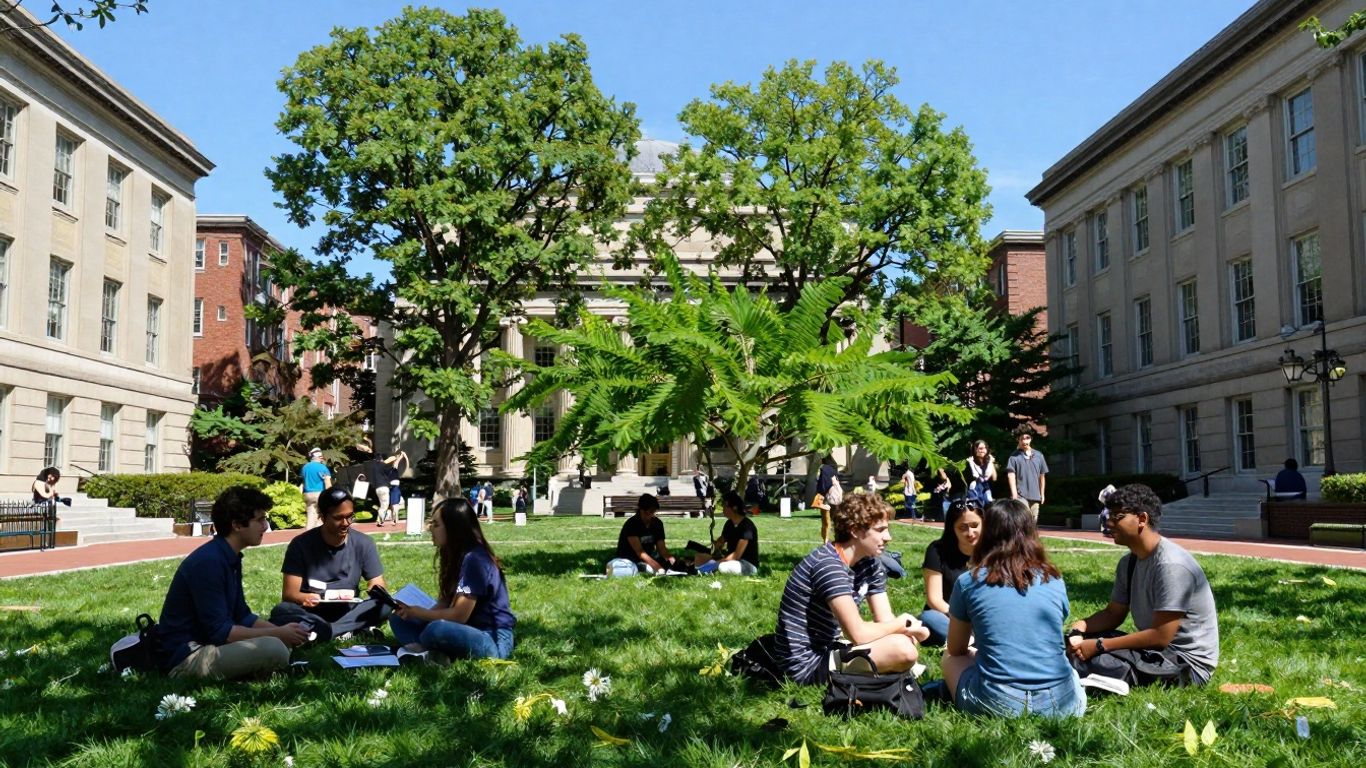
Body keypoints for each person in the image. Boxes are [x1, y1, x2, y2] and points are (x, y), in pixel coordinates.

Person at [940, 498, 1085, 718]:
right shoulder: (1054, 579)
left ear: (987, 535)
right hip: (1063, 704)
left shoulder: (969, 582)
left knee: (949, 659)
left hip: (997, 704)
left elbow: (956, 649)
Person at [1067, 484, 1219, 691]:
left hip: (1184, 664)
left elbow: (1160, 636)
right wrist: (1080, 626)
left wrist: (1100, 645)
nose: (1109, 523)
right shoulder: (1128, 563)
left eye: (1117, 517)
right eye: (1108, 516)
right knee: (1069, 646)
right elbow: (1113, 614)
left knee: (1095, 658)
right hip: (1153, 652)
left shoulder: (1171, 565)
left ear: (1142, 519)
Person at [773, 493, 930, 685]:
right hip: (806, 665)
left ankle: (884, 669)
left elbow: (885, 620)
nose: (888, 537)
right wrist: (903, 625)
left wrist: (906, 631)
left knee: (904, 644)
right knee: (902, 650)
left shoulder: (870, 563)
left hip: (830, 648)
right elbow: (858, 634)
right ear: (855, 531)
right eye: (880, 530)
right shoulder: (828, 565)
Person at [156, 486, 310, 679]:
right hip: (188, 657)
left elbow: (243, 616)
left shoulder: (228, 557)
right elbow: (221, 632)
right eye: (260, 520)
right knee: (275, 648)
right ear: (237, 525)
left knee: (283, 637)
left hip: (213, 644)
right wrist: (278, 634)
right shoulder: (209, 563)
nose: (265, 526)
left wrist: (284, 631)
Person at [389, 497, 516, 660]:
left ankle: (425, 649)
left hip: (492, 639)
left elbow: (459, 615)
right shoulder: (454, 556)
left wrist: (420, 613)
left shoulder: (475, 559)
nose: (430, 529)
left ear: (453, 528)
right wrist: (412, 613)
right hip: (463, 629)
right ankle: (433, 652)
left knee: (436, 630)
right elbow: (444, 602)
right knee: (398, 619)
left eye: (436, 524)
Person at [267, 487, 390, 641]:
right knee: (281, 610)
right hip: (312, 611)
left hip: (350, 609)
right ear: (323, 516)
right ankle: (350, 629)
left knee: (384, 605)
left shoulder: (364, 543)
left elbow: (378, 583)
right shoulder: (300, 544)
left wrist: (376, 590)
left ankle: (329, 631)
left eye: (350, 517)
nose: (346, 523)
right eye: (338, 518)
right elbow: (290, 594)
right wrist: (306, 598)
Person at [918, 498, 982, 646]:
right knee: (928, 618)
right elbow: (934, 600)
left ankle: (969, 640)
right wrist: (964, 619)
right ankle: (971, 640)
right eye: (962, 527)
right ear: (952, 528)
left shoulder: (993, 552)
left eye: (975, 526)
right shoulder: (937, 551)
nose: (970, 532)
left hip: (981, 616)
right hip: (947, 615)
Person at [693, 491, 760, 575]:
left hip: (746, 564)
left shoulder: (747, 527)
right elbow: (721, 541)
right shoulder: (729, 524)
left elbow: (736, 555)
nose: (723, 508)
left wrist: (716, 563)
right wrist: (717, 544)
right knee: (699, 557)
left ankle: (707, 570)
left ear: (734, 508)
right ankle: (701, 569)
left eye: (725, 506)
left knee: (722, 566)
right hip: (730, 560)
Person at [614, 494, 682, 573]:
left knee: (676, 564)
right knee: (650, 569)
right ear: (641, 510)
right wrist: (658, 567)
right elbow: (640, 552)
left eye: (654, 511)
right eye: (650, 512)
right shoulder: (631, 524)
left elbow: (662, 549)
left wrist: (669, 558)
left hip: (650, 557)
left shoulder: (657, 524)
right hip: (630, 559)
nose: (652, 515)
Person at [1005, 429, 1048, 521]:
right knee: (1024, 520)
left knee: (1033, 522)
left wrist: (1042, 494)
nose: (1025, 441)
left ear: (1031, 439)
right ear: (1019, 440)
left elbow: (1042, 476)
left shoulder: (1039, 455)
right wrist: (1014, 494)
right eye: (1022, 439)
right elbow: (1011, 475)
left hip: (1036, 496)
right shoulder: (1014, 457)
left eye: (1027, 438)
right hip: (1021, 496)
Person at [301, 447, 333, 529]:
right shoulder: (322, 467)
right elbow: (327, 481)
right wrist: (330, 494)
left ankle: (308, 535)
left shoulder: (305, 467)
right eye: (321, 456)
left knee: (311, 516)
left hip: (307, 494)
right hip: (319, 494)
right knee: (324, 515)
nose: (322, 458)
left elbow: (304, 482)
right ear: (318, 457)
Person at [376, 449, 409, 526]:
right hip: (390, 488)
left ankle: (395, 520)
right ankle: (391, 520)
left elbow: (396, 463)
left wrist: (401, 456)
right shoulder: (387, 470)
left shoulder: (393, 469)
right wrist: (401, 456)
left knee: (394, 506)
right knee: (391, 506)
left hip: (395, 488)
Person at [964, 440, 997, 509]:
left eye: (985, 448)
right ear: (975, 449)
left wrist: (991, 463)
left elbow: (994, 478)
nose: (983, 450)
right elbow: (971, 478)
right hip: (974, 492)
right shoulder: (970, 462)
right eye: (980, 448)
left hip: (986, 491)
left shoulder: (989, 462)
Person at [814, 459, 840, 542]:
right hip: (836, 498)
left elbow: (823, 485)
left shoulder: (823, 469)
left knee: (826, 521)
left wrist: (818, 499)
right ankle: (837, 539)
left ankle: (825, 540)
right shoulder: (833, 471)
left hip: (826, 498)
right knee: (836, 520)